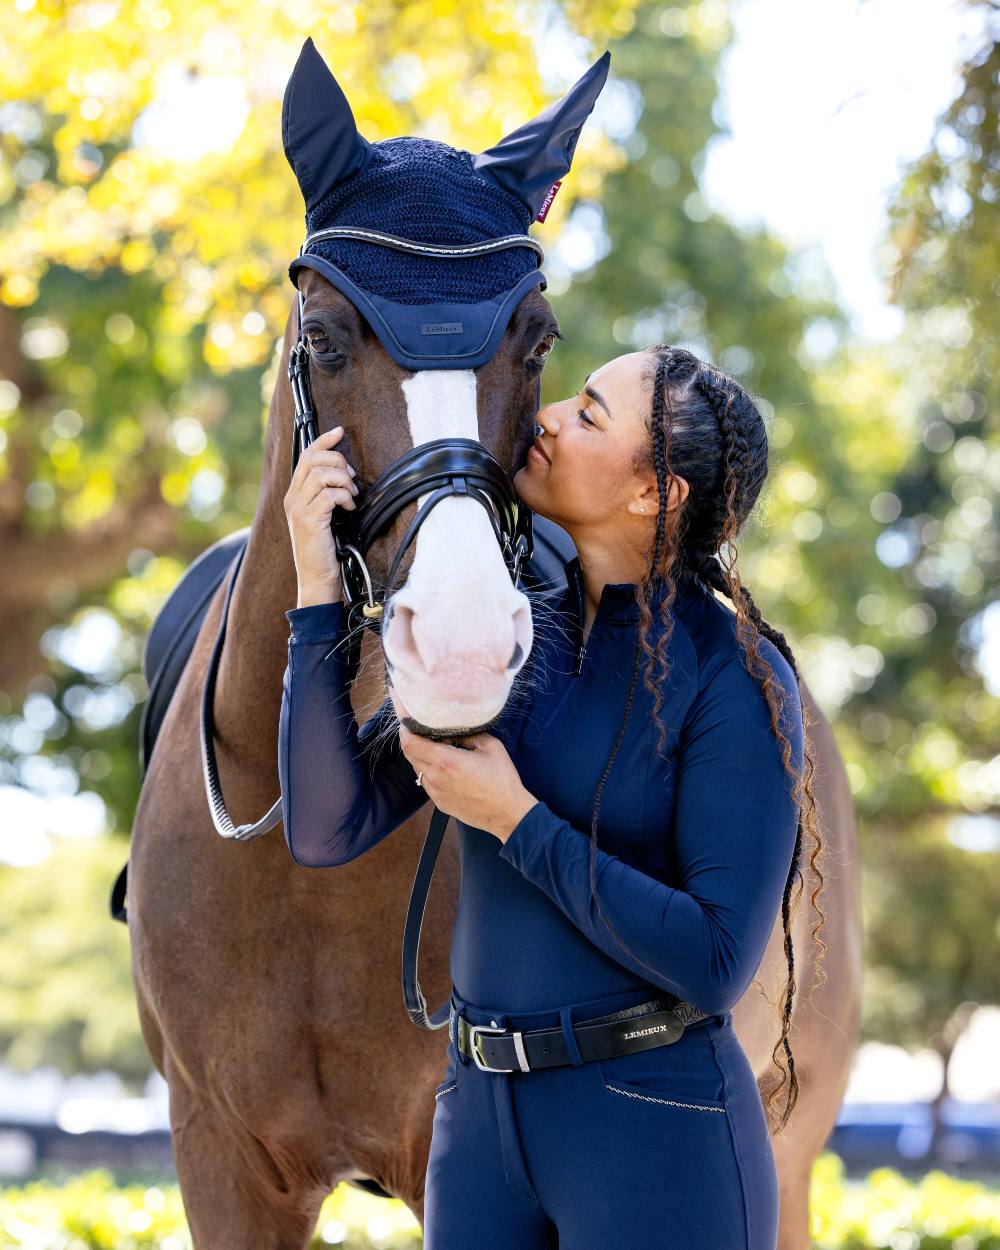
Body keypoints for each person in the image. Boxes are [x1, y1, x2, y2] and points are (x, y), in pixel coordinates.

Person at [279, 342, 821, 1249]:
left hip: (654, 1127)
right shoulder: (503, 638)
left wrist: (516, 821)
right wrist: (314, 585)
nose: (548, 417)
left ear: (656, 494)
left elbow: (719, 957)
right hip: (478, 1125)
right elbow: (328, 826)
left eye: (590, 413)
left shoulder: (733, 674)